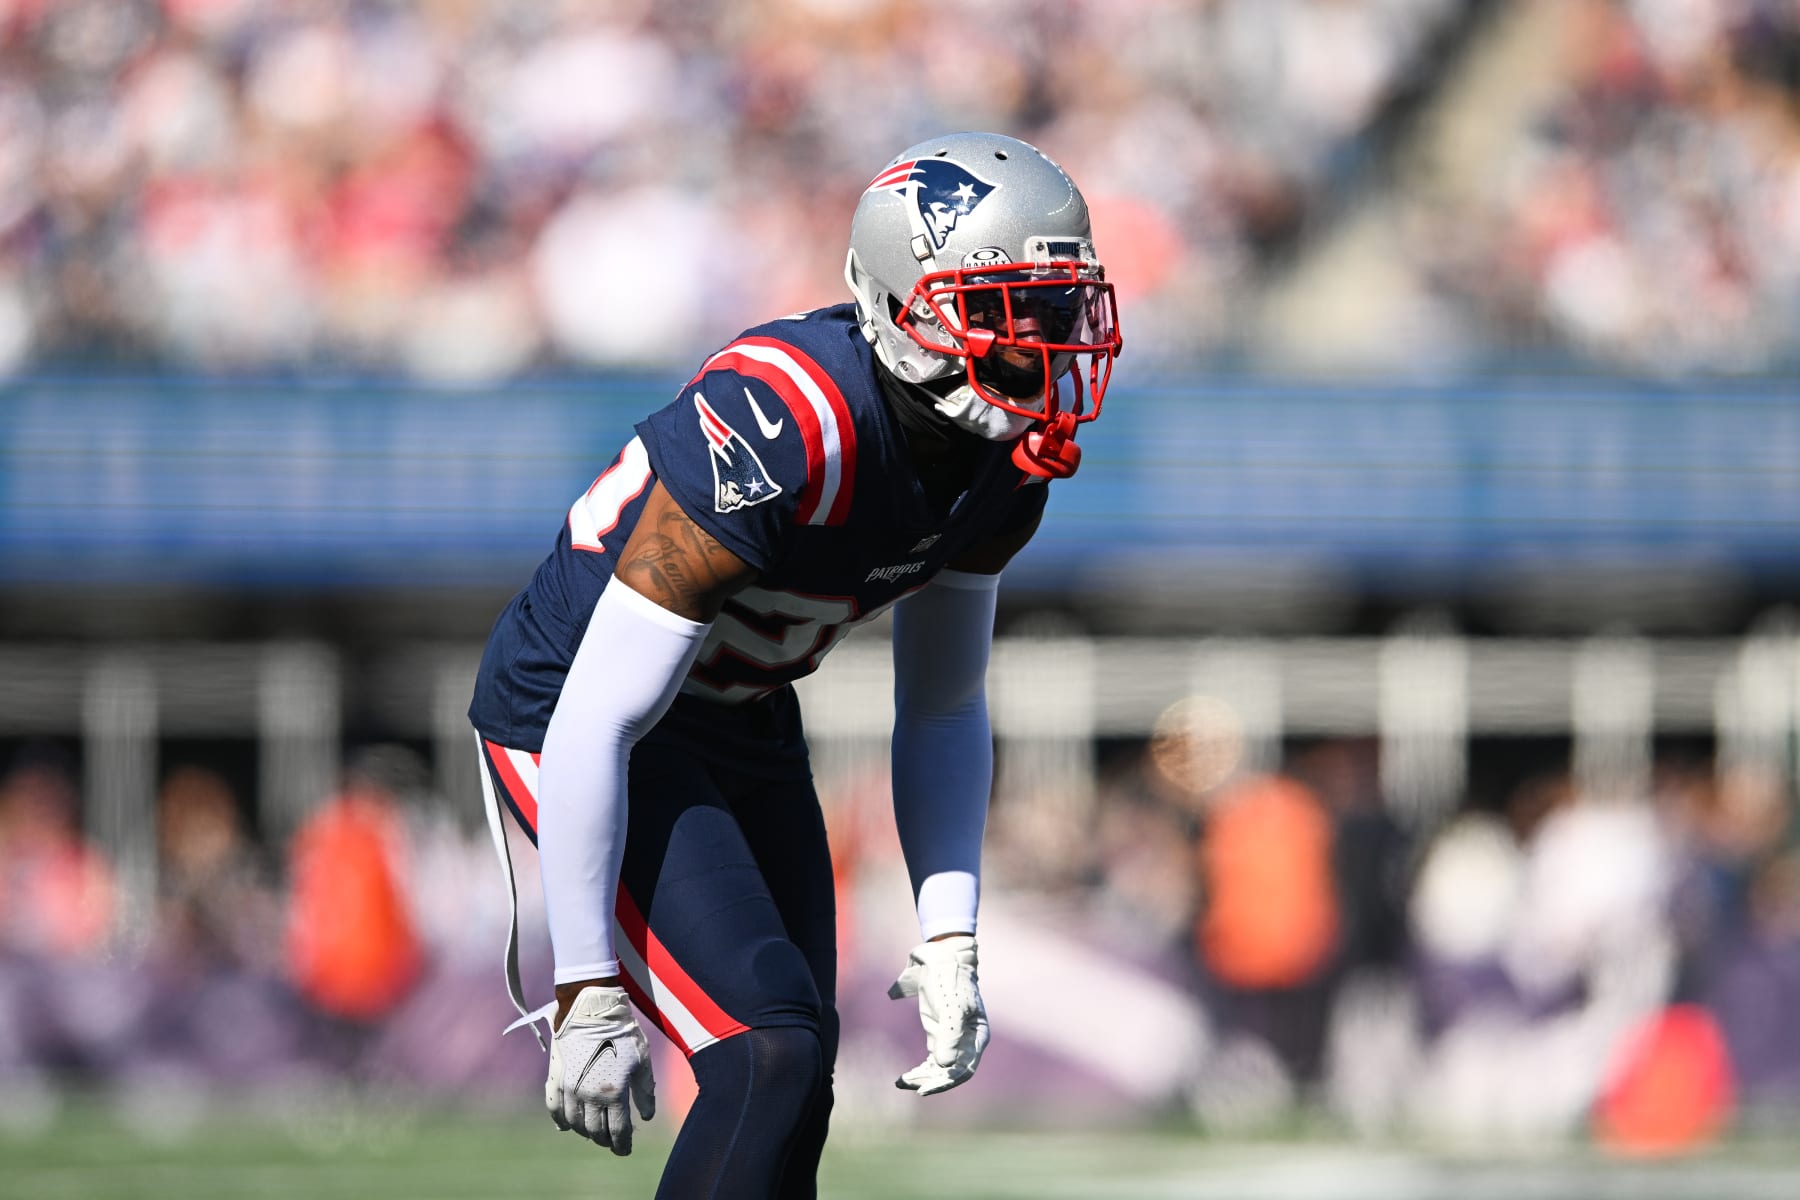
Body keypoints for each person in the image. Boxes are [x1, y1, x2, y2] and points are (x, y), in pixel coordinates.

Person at [468, 131, 1122, 1198]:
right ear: (911, 305)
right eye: (1012, 310)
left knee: (797, 1078)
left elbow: (943, 704)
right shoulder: (791, 416)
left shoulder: (1007, 467)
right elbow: (599, 707)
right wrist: (586, 982)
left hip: (741, 717)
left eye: (1059, 309)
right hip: (576, 712)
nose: (1047, 342)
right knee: (763, 1048)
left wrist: (949, 930)